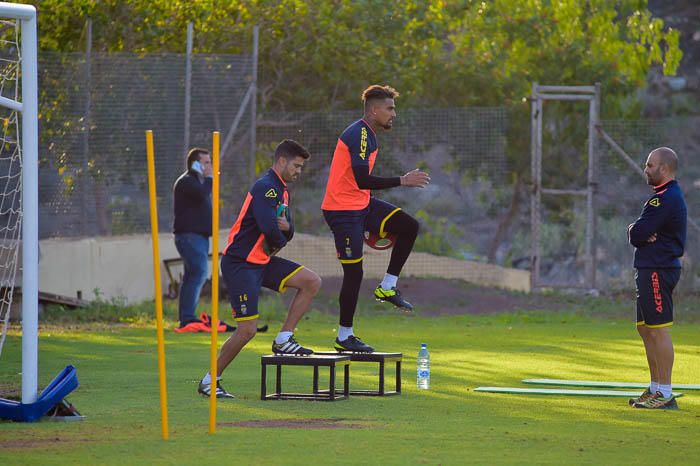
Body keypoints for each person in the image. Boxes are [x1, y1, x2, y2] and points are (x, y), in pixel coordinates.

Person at [198, 139, 321, 398]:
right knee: (247, 331)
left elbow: (288, 228)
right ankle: (210, 380)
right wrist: (282, 235)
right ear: (282, 161)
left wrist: (284, 233)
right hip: (241, 264)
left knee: (311, 281)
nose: (299, 171)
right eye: (296, 166)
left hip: (262, 261)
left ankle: (284, 339)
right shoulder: (267, 188)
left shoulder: (281, 190)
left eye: (301, 167)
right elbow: (270, 227)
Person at [321, 84, 430, 353]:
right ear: (374, 109)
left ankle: (388, 287)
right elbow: (361, 179)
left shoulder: (369, 135)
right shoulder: (358, 133)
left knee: (408, 227)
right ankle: (344, 336)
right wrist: (402, 181)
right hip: (342, 210)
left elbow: (360, 185)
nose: (394, 114)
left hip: (361, 204)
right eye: (390, 108)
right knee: (354, 273)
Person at [627, 147, 686, 410]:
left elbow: (639, 233)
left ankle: (665, 392)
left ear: (664, 169)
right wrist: (635, 230)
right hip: (648, 268)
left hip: (658, 270)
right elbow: (638, 232)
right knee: (644, 328)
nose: (646, 169)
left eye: (650, 165)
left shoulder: (664, 199)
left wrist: (636, 230)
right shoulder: (659, 198)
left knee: (658, 329)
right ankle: (653, 387)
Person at [172, 147, 214, 333]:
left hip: (199, 237)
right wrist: (210, 178)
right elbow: (201, 193)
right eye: (205, 162)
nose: (209, 166)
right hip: (190, 236)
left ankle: (187, 317)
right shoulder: (188, 182)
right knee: (199, 273)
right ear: (195, 164)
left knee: (192, 276)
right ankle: (188, 318)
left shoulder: (197, 182)